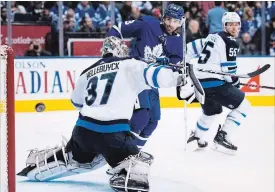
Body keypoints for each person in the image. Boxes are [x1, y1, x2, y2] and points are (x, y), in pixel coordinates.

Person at [17, 36, 194, 192]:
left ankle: (43, 161)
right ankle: (127, 174)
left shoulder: (87, 72)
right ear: (119, 50)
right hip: (113, 136)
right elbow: (156, 76)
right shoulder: (131, 64)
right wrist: (178, 76)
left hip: (82, 133)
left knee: (75, 154)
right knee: (139, 164)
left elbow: (76, 102)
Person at [107, 3, 184, 151]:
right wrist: (111, 51)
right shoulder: (148, 24)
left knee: (152, 121)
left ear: (180, 22)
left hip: (152, 81)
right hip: (134, 76)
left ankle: (132, 153)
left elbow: (173, 67)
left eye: (175, 21)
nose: (170, 24)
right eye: (168, 19)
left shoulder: (178, 41)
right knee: (142, 116)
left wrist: (175, 68)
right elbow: (117, 29)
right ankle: (119, 152)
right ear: (163, 17)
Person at [186, 12, 251, 155]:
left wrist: (183, 62)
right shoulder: (231, 42)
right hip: (215, 84)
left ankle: (196, 137)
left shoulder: (212, 36)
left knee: (213, 111)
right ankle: (223, 137)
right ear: (224, 25)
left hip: (200, 84)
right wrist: (236, 84)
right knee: (245, 105)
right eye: (230, 24)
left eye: (236, 24)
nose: (234, 28)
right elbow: (229, 71)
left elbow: (190, 48)